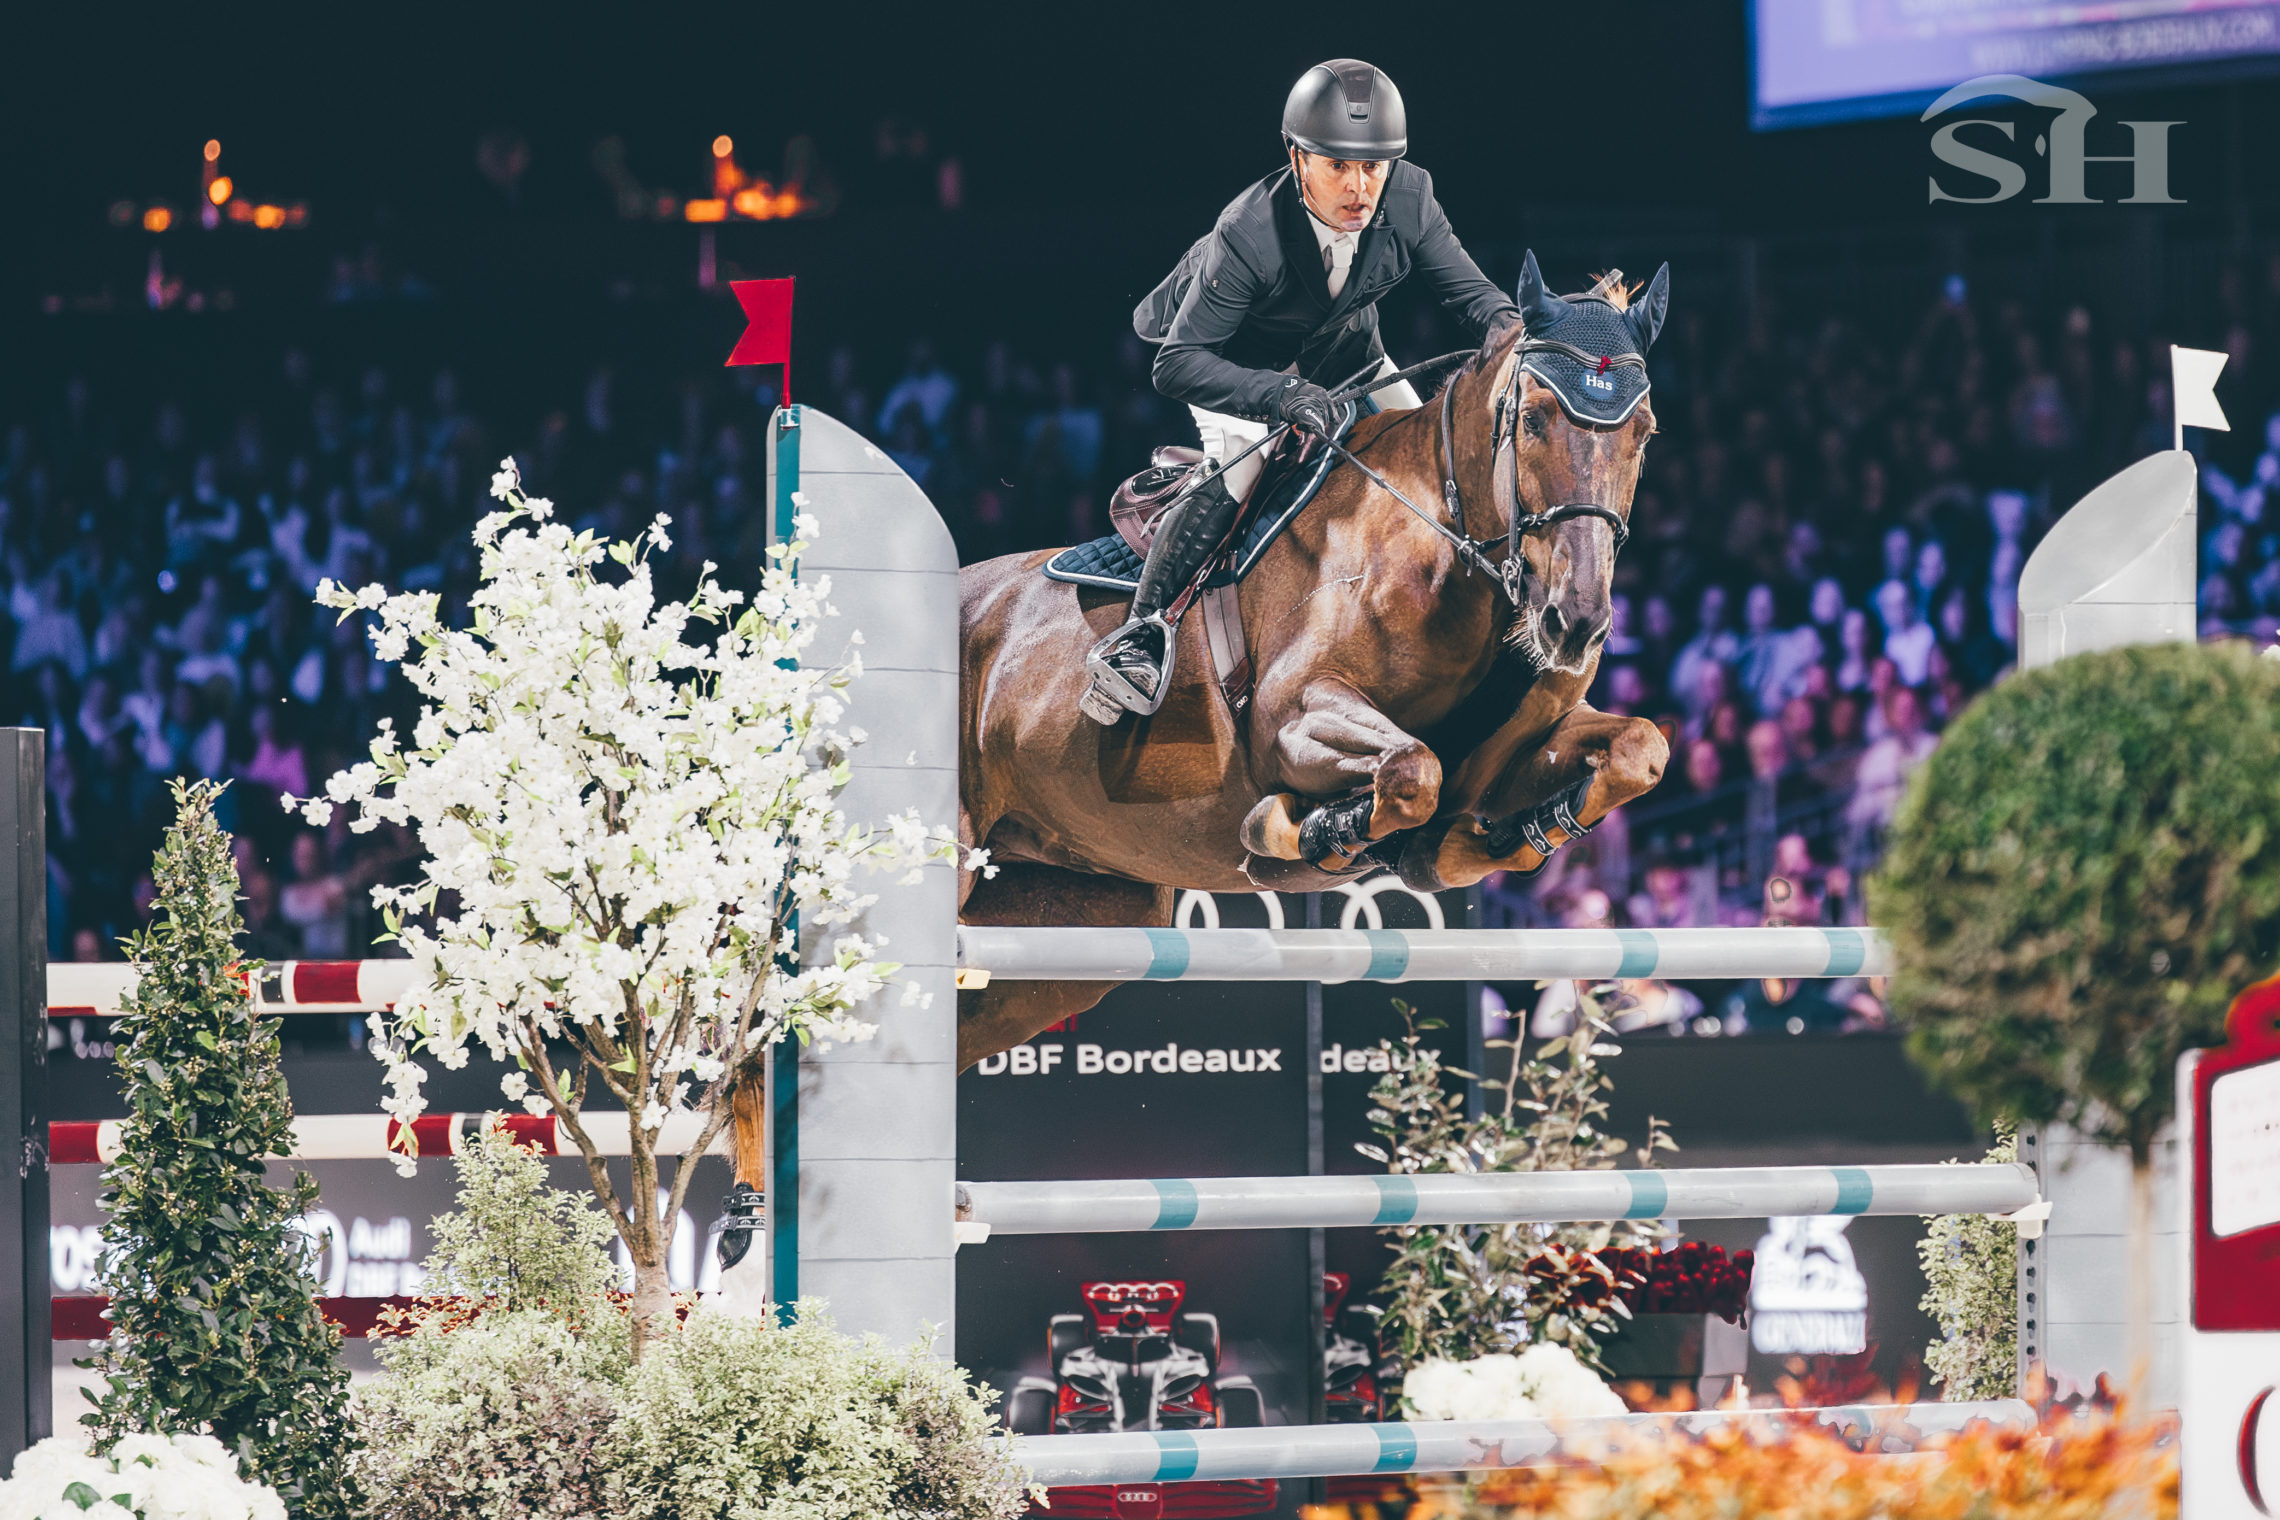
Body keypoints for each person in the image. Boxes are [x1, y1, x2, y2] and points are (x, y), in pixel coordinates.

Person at [1084, 59, 1520, 723]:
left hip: (1344, 354)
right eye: (1338, 165)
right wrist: (1281, 396)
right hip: (1229, 360)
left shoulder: (1410, 196)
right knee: (1242, 466)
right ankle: (1141, 635)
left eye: (1372, 166)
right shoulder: (1248, 232)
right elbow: (1176, 364)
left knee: (1439, 449)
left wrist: (1523, 337)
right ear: (1297, 159)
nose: (1359, 187)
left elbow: (1472, 295)